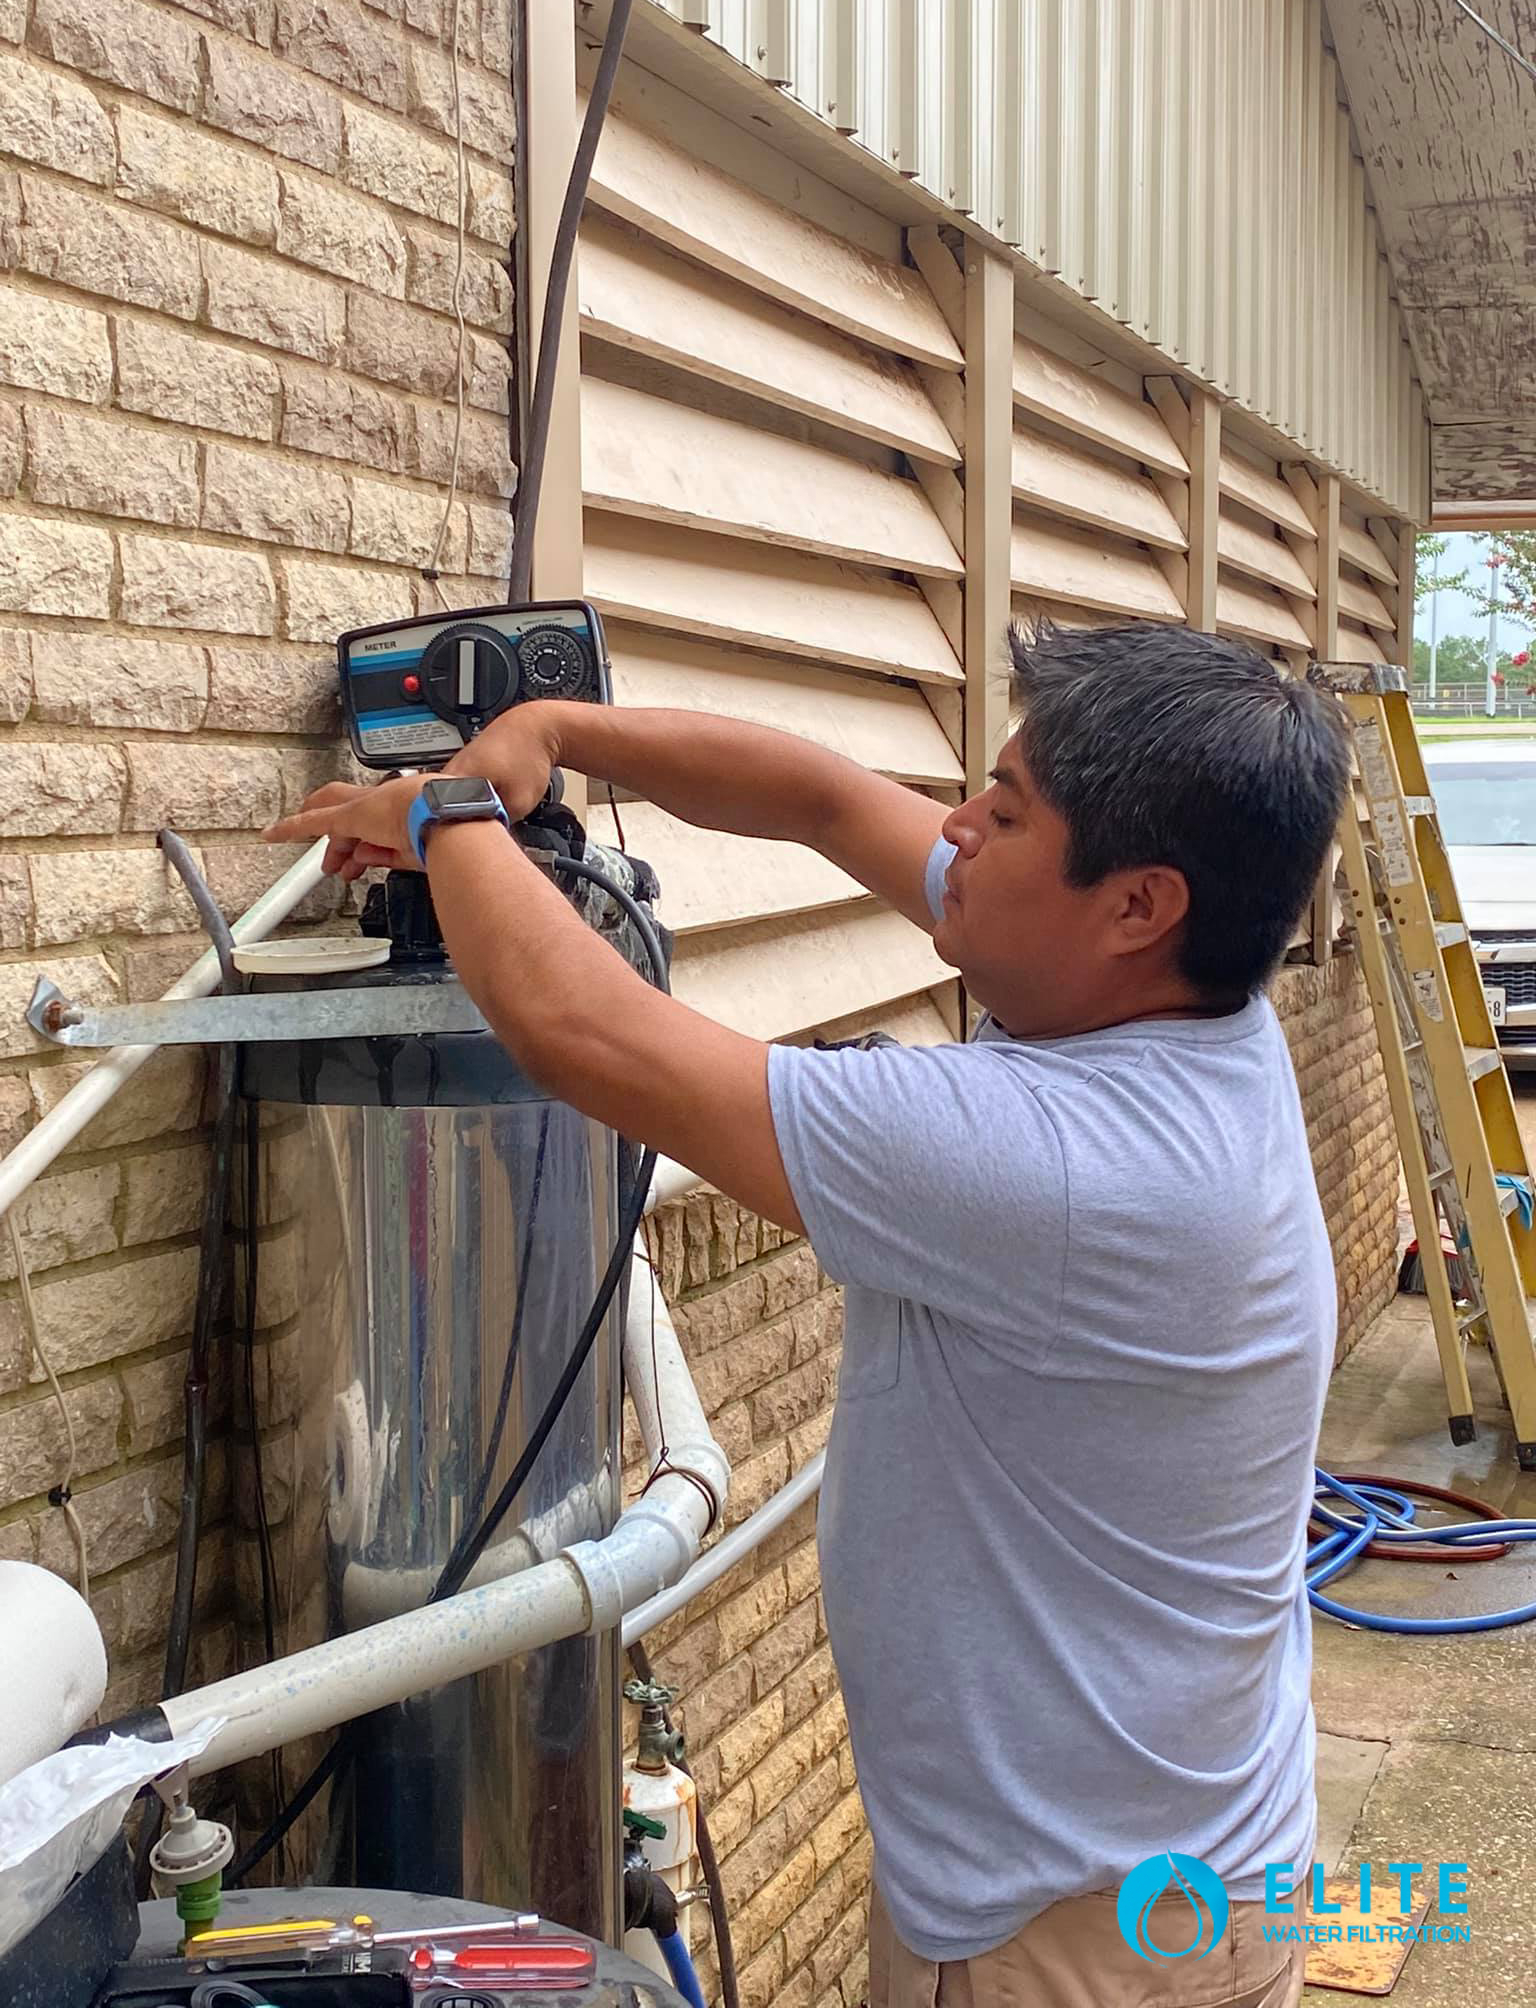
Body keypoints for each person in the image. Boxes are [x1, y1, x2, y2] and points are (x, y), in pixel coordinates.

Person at [266, 620, 1351, 2008]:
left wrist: (451, 811)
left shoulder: (1067, 1161)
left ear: (1139, 905)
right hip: (1168, 1857)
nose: (959, 830)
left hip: (1080, 1938)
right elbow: (824, 797)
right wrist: (555, 737)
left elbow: (579, 1030)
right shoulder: (1184, 1009)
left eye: (1006, 815)